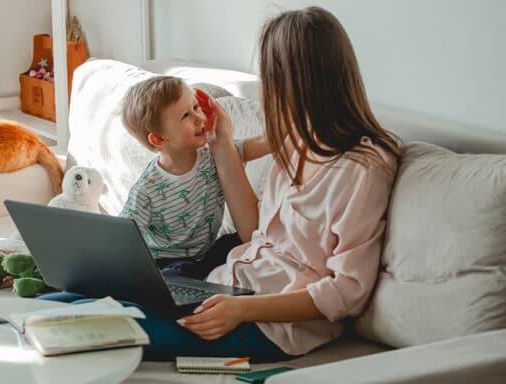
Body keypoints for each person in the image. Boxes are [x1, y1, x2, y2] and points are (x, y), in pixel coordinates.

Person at [42, 6, 400, 362]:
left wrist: (243, 311)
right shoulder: (296, 141)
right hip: (225, 286)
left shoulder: (364, 167)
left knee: (73, 326)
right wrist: (222, 144)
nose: (270, 91)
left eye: (273, 79)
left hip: (268, 326)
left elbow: (347, 291)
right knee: (55, 304)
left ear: (304, 81)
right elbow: (254, 234)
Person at [118, 76, 268, 279]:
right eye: (186, 115)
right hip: (165, 262)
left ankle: (203, 278)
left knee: (236, 243)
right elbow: (122, 234)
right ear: (160, 138)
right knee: (177, 272)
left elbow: (259, 143)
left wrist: (295, 129)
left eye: (196, 107)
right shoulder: (148, 188)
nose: (199, 119)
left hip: (206, 254)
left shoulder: (214, 155)